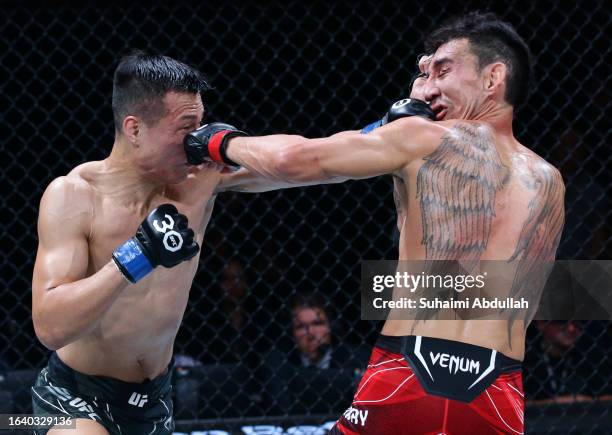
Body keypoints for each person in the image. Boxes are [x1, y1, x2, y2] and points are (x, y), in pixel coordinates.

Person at [184, 12, 565, 434]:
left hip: (409, 371)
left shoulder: (424, 140)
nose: (430, 84)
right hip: (498, 390)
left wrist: (218, 142)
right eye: (425, 73)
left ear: (493, 78)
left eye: (443, 70)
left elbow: (298, 161)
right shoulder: (549, 181)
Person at [30, 51, 328, 435]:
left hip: (153, 401)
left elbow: (310, 163)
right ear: (135, 129)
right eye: (186, 129)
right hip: (70, 397)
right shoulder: (73, 195)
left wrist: (386, 133)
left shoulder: (199, 180)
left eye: (201, 126)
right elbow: (50, 327)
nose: (196, 143)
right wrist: (134, 259)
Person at [263, 292, 369, 414]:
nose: (310, 333)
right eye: (300, 326)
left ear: (331, 326)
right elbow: (280, 408)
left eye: (317, 324)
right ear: (292, 332)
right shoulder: (278, 361)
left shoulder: (356, 358)